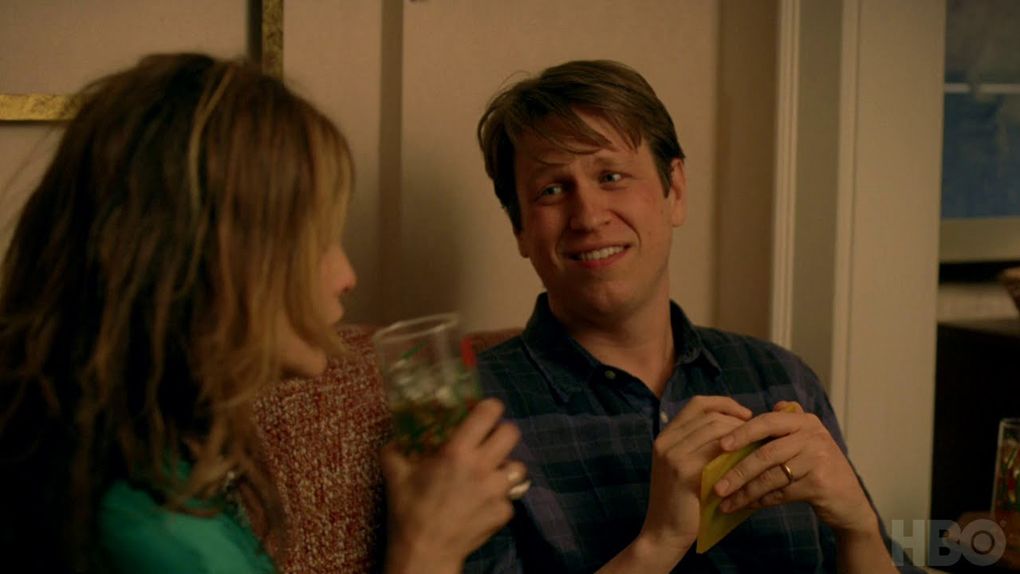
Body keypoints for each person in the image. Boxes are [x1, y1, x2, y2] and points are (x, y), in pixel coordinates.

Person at [0, 53, 523, 573]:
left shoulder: (159, 459)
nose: (346, 275)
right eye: (318, 240)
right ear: (210, 260)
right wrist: (428, 549)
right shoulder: (146, 537)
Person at [465, 59, 923, 573]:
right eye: (552, 190)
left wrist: (858, 526)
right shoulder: (469, 421)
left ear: (675, 190)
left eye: (611, 176)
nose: (589, 216)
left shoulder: (779, 376)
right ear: (521, 230)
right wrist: (659, 541)